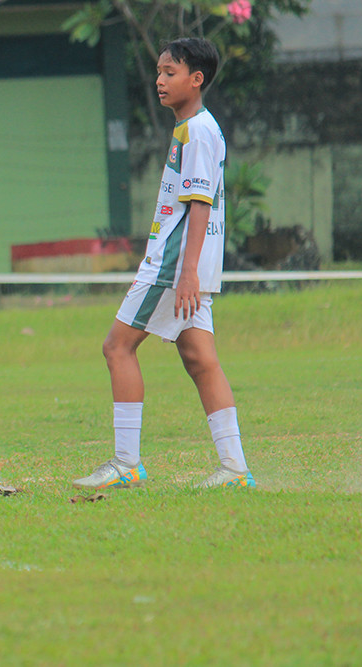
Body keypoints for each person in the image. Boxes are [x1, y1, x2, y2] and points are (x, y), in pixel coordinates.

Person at [73, 38, 255, 491]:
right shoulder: (197, 128)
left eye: (170, 72)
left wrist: (187, 270)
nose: (159, 80)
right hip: (191, 265)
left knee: (117, 347)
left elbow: (198, 206)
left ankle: (126, 463)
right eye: (158, 71)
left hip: (174, 266)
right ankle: (234, 468)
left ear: (197, 79)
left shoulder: (196, 130)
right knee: (200, 359)